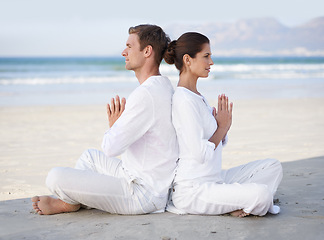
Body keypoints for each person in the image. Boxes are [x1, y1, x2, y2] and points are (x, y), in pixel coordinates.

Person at [32, 24, 179, 215]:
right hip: (143, 179)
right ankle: (73, 201)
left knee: (54, 177)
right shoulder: (164, 86)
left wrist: (115, 126)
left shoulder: (146, 95)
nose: (123, 52)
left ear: (147, 51)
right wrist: (118, 128)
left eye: (129, 46)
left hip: (143, 195)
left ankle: (70, 203)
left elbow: (111, 148)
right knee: (89, 157)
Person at [164, 32, 282, 217]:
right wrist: (222, 128)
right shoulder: (184, 101)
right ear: (188, 59)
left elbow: (216, 142)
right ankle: (236, 205)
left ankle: (233, 202)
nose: (211, 62)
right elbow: (199, 154)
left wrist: (221, 128)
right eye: (206, 56)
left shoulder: (197, 97)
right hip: (195, 191)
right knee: (261, 194)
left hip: (216, 179)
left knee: (272, 166)